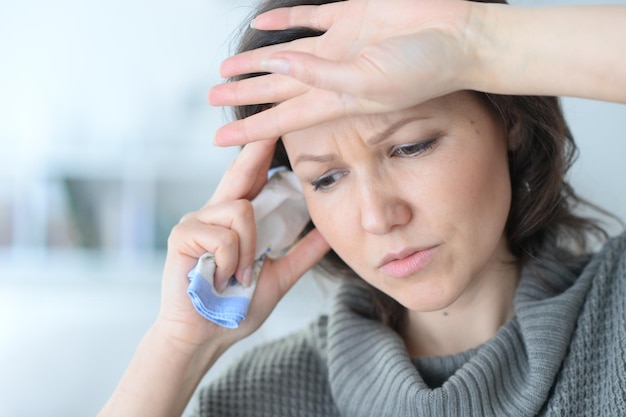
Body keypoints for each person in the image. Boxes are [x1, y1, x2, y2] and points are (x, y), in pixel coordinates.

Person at [98, 0, 626, 416]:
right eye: (326, 179)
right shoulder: (260, 398)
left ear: (507, 117)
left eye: (411, 146)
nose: (378, 217)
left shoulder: (613, 317)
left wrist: (476, 42)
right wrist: (179, 349)